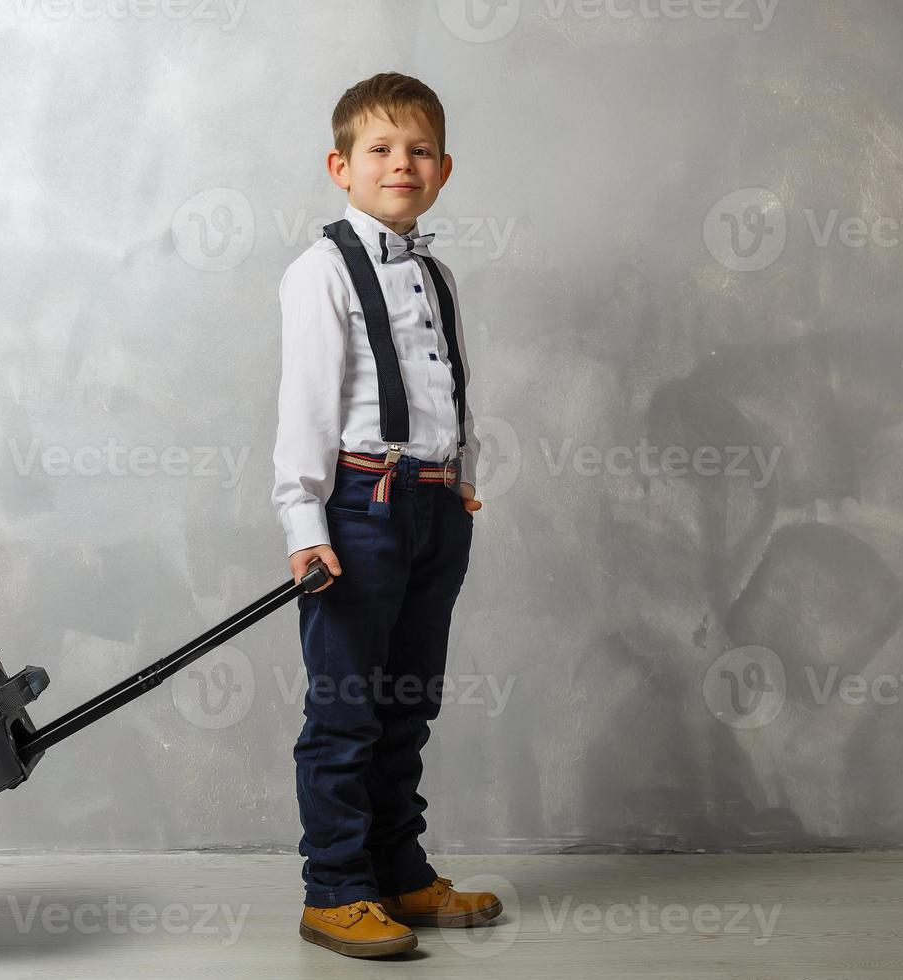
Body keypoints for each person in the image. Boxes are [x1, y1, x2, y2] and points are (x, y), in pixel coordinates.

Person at [271, 71, 501, 959]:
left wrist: (462, 473)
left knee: (407, 700)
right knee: (346, 708)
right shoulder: (322, 269)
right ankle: (334, 887)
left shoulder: (434, 274)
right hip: (359, 510)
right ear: (341, 166)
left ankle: (398, 871)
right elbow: (306, 408)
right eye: (379, 149)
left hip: (434, 507)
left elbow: (450, 385)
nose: (398, 164)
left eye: (417, 151)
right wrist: (304, 527)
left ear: (442, 169)